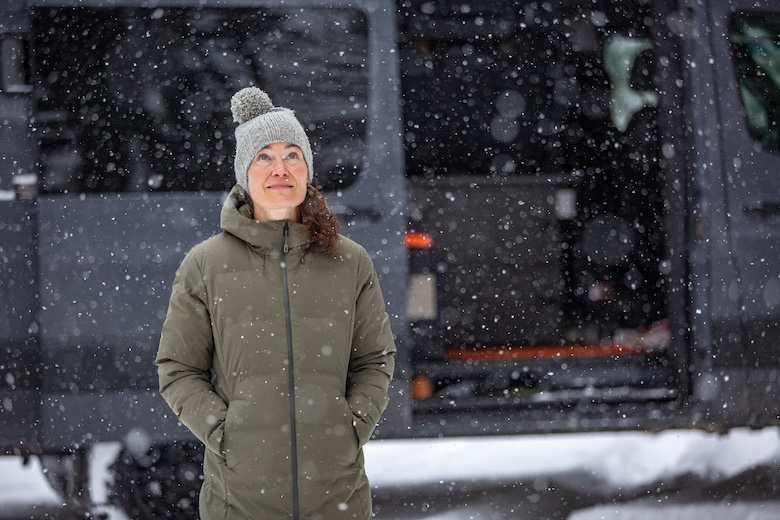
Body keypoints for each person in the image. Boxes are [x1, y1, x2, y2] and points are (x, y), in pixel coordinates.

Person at [155, 87, 396, 520]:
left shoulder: (349, 261)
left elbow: (375, 360)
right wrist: (228, 435)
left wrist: (350, 427)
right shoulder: (205, 265)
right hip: (240, 501)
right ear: (243, 172)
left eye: (292, 155)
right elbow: (178, 370)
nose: (280, 168)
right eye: (264, 156)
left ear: (307, 170)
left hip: (337, 499)